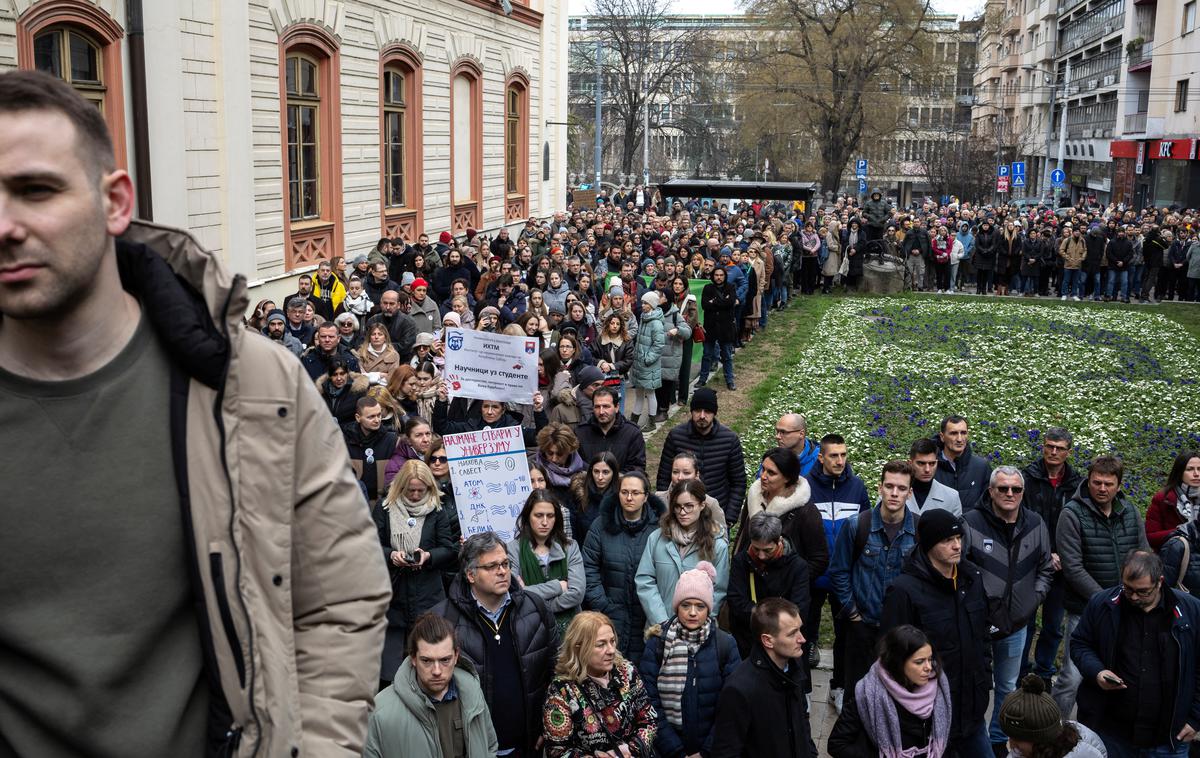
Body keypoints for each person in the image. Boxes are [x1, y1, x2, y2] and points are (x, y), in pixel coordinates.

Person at [0, 69, 391, 755]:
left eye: (36, 190)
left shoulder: (254, 385)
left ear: (114, 201)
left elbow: (342, 596)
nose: (5, 226)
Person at [434, 532, 559, 757]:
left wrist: (550, 725)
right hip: (472, 749)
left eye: (505, 564)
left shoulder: (536, 609)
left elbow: (556, 672)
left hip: (530, 744)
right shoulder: (443, 621)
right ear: (471, 575)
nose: (502, 571)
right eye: (491, 566)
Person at [881, 508, 993, 756]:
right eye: (947, 541)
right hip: (929, 718)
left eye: (959, 539)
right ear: (929, 545)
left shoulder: (971, 578)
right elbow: (892, 658)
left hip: (972, 713)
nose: (956, 546)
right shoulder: (904, 591)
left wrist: (984, 678)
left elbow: (982, 636)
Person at [1069, 550, 1200, 757]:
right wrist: (1097, 671)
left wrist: (1195, 718)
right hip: (1111, 734)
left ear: (1160, 582)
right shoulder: (1102, 604)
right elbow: (1079, 643)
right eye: (1128, 589)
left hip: (1169, 740)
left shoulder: (1191, 611)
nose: (1134, 597)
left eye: (1143, 591)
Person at [963, 466, 1055, 753]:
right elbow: (959, 567)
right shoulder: (970, 522)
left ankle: (999, 741)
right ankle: (969, 737)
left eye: (1016, 489)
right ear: (991, 491)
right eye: (1002, 488)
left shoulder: (1036, 523)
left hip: (1016, 624)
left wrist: (1035, 597)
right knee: (972, 684)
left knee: (1007, 685)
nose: (1009, 494)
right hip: (976, 622)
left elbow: (1045, 567)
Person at [1053, 456, 1150, 716]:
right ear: (1089, 480)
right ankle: (1051, 733)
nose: (1102, 489)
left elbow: (1144, 554)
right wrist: (1106, 600)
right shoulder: (1071, 514)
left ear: (1119, 485)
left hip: (1128, 607)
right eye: (1097, 482)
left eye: (1109, 484)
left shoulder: (1129, 511)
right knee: (1072, 678)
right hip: (1085, 609)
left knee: (1116, 674)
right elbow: (1072, 567)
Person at [830, 460, 921, 700]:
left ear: (910, 492)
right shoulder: (857, 526)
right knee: (857, 695)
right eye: (889, 486)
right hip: (863, 628)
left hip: (901, 631)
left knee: (895, 695)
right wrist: (853, 615)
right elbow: (839, 571)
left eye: (901, 488)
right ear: (879, 487)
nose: (894, 493)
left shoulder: (919, 530)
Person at [640, 562, 742, 758]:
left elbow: (731, 706)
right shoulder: (658, 643)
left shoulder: (725, 645)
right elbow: (648, 701)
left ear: (709, 608)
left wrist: (706, 751)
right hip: (666, 749)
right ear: (677, 606)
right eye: (686, 605)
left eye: (700, 606)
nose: (693, 612)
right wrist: (674, 750)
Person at [364, 612, 499, 758]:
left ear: (456, 656)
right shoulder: (381, 711)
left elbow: (490, 747)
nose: (436, 671)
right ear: (413, 659)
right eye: (427, 661)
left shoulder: (472, 694)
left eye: (444, 660)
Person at [373, 459, 458, 686]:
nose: (415, 495)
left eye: (421, 490)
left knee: (429, 657)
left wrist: (428, 556)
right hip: (394, 593)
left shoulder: (436, 509)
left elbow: (449, 549)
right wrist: (392, 555)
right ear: (401, 487)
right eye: (410, 490)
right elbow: (370, 545)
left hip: (427, 592)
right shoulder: (384, 509)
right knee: (390, 668)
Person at [805, 432, 872, 704]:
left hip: (845, 576)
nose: (840, 460)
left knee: (845, 636)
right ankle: (805, 691)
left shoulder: (857, 487)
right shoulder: (805, 486)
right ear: (821, 457)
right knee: (804, 635)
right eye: (834, 455)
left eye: (844, 455)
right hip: (812, 575)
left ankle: (839, 687)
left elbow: (867, 526)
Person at [541, 611, 658, 757]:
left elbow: (649, 719)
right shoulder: (562, 690)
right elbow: (557, 751)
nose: (611, 650)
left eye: (612, 641)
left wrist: (630, 750)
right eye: (601, 644)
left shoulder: (627, 671)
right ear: (578, 647)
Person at [710, 597, 816, 758]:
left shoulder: (795, 666)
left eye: (800, 629)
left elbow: (802, 721)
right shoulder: (739, 689)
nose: (802, 639)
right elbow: (725, 751)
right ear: (768, 640)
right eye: (792, 633)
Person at [827, 624, 953, 758]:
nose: (928, 667)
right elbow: (837, 744)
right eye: (919, 662)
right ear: (898, 663)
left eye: (930, 659)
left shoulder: (939, 689)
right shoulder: (869, 694)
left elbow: (947, 741)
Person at [582, 471, 668, 664]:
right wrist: (602, 604)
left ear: (646, 497)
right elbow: (589, 566)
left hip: (646, 616)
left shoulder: (659, 529)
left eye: (635, 493)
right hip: (611, 614)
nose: (629, 498)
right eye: (624, 492)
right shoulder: (601, 525)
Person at [1021, 428, 1084, 684]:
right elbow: (1022, 519)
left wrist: (1061, 555)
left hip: (1061, 567)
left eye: (1059, 448)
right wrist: (1044, 553)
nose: (1053, 452)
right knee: (1024, 620)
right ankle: (1021, 671)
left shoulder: (1078, 483)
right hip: (1031, 561)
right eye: (1049, 446)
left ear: (1069, 451)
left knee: (1053, 624)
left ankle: (1044, 672)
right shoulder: (1028, 477)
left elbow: (1078, 525)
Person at [635, 480, 731, 632]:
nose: (682, 512)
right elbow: (645, 580)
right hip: (660, 628)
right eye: (678, 507)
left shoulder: (717, 545)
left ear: (702, 505)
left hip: (699, 632)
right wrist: (661, 620)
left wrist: (698, 620)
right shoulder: (657, 538)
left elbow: (719, 590)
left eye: (689, 506)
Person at [738, 448, 828, 592]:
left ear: (787, 477)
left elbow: (819, 559)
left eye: (771, 473)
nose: (763, 476)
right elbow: (742, 538)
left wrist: (790, 583)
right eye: (763, 469)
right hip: (750, 587)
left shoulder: (806, 512)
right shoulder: (753, 498)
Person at [656, 388, 747, 524]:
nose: (702, 416)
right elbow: (664, 477)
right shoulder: (676, 437)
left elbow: (738, 482)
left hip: (715, 515)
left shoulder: (729, 440)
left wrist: (729, 518)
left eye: (708, 411)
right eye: (698, 410)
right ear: (691, 412)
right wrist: (666, 511)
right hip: (680, 513)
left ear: (714, 413)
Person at [727, 512, 812, 657]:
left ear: (779, 540)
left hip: (784, 642)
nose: (761, 556)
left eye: (767, 550)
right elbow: (736, 602)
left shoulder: (798, 566)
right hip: (748, 641)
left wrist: (760, 617)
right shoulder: (740, 562)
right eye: (756, 549)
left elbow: (800, 608)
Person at [506, 489, 586, 635]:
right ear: (528, 516)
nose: (544, 522)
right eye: (538, 515)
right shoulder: (513, 549)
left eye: (550, 516)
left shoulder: (570, 547)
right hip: (530, 632)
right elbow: (514, 593)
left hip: (571, 632)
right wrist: (558, 586)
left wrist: (530, 595)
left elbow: (577, 593)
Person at [997, 674, 1107, 758]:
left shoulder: (1085, 754)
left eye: (1018, 739)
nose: (1011, 744)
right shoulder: (1024, 751)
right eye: (1010, 736)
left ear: (1041, 738)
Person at [574, 387, 647, 474]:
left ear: (616, 407)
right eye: (597, 407)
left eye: (606, 406)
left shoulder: (632, 433)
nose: (601, 412)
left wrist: (613, 479)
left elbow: (637, 467)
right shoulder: (580, 432)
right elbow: (575, 463)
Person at [345, 395, 400, 503]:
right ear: (358, 417)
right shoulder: (345, 442)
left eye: (379, 415)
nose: (377, 420)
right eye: (371, 417)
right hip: (355, 503)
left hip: (384, 502)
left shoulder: (392, 441)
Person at [654, 451, 726, 531]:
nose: (680, 477)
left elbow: (722, 537)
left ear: (696, 475)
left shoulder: (710, 503)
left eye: (686, 473)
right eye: (675, 472)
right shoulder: (658, 499)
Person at [931, 415, 991, 510]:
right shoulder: (929, 467)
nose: (959, 439)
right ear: (942, 437)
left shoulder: (981, 467)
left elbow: (988, 504)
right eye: (953, 433)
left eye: (963, 433)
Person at [1145, 450, 1200, 550]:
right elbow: (1150, 537)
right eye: (1190, 469)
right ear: (1179, 472)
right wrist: (1181, 532)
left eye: (1199, 469)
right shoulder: (1164, 498)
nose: (1196, 474)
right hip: (1175, 560)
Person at [696, 265, 738, 390]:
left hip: (726, 327)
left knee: (726, 355)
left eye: (721, 275)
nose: (719, 277)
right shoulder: (707, 288)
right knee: (707, 354)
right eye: (716, 275)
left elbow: (731, 303)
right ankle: (702, 379)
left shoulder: (730, 287)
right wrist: (722, 302)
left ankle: (729, 380)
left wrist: (714, 302)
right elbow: (704, 305)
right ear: (713, 276)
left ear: (724, 276)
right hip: (711, 326)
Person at [628, 290, 666, 430]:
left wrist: (647, 359)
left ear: (652, 304)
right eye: (642, 302)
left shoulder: (656, 323)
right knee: (639, 393)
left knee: (650, 393)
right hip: (640, 363)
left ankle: (651, 422)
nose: (642, 305)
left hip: (647, 364)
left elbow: (659, 344)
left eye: (645, 303)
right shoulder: (644, 317)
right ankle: (634, 421)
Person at [569, 451, 620, 545]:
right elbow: (574, 530)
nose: (600, 477)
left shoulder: (621, 497)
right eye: (596, 471)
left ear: (613, 473)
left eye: (605, 472)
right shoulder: (579, 494)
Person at [908, 437, 964, 516]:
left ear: (937, 463)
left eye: (932, 464)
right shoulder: (894, 493)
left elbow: (956, 528)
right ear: (910, 463)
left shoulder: (951, 497)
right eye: (921, 463)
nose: (927, 469)